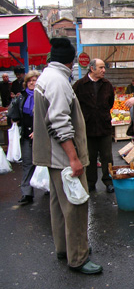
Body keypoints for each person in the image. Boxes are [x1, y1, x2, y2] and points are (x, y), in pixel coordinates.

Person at [33, 37, 102, 274]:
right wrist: (74, 158)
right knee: (75, 206)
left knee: (59, 205)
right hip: (63, 157)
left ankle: (65, 248)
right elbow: (59, 122)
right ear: (71, 61)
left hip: (53, 157)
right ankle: (79, 257)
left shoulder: (46, 76)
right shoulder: (59, 81)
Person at [72, 58, 115, 193]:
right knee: (89, 156)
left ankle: (108, 181)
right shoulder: (79, 85)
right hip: (87, 128)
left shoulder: (107, 84)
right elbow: (74, 105)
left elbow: (110, 103)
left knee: (107, 156)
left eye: (104, 67)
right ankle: (90, 182)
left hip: (104, 127)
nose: (104, 70)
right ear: (92, 68)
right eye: (101, 67)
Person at [7, 70, 40, 204]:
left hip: (41, 135)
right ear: (26, 83)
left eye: (35, 80)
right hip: (26, 135)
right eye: (30, 81)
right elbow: (13, 114)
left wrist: (38, 130)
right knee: (27, 164)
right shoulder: (21, 97)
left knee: (45, 163)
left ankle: (48, 187)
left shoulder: (43, 96)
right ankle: (27, 194)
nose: (32, 83)